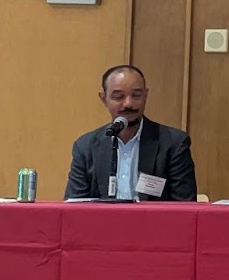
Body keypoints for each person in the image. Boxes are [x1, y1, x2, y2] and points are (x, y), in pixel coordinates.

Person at [64, 64, 197, 202]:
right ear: (104, 99)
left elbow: (184, 206)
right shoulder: (86, 147)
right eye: (119, 96)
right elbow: (75, 205)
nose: (128, 103)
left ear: (146, 95)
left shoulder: (173, 143)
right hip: (102, 223)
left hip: (154, 223)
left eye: (136, 95)